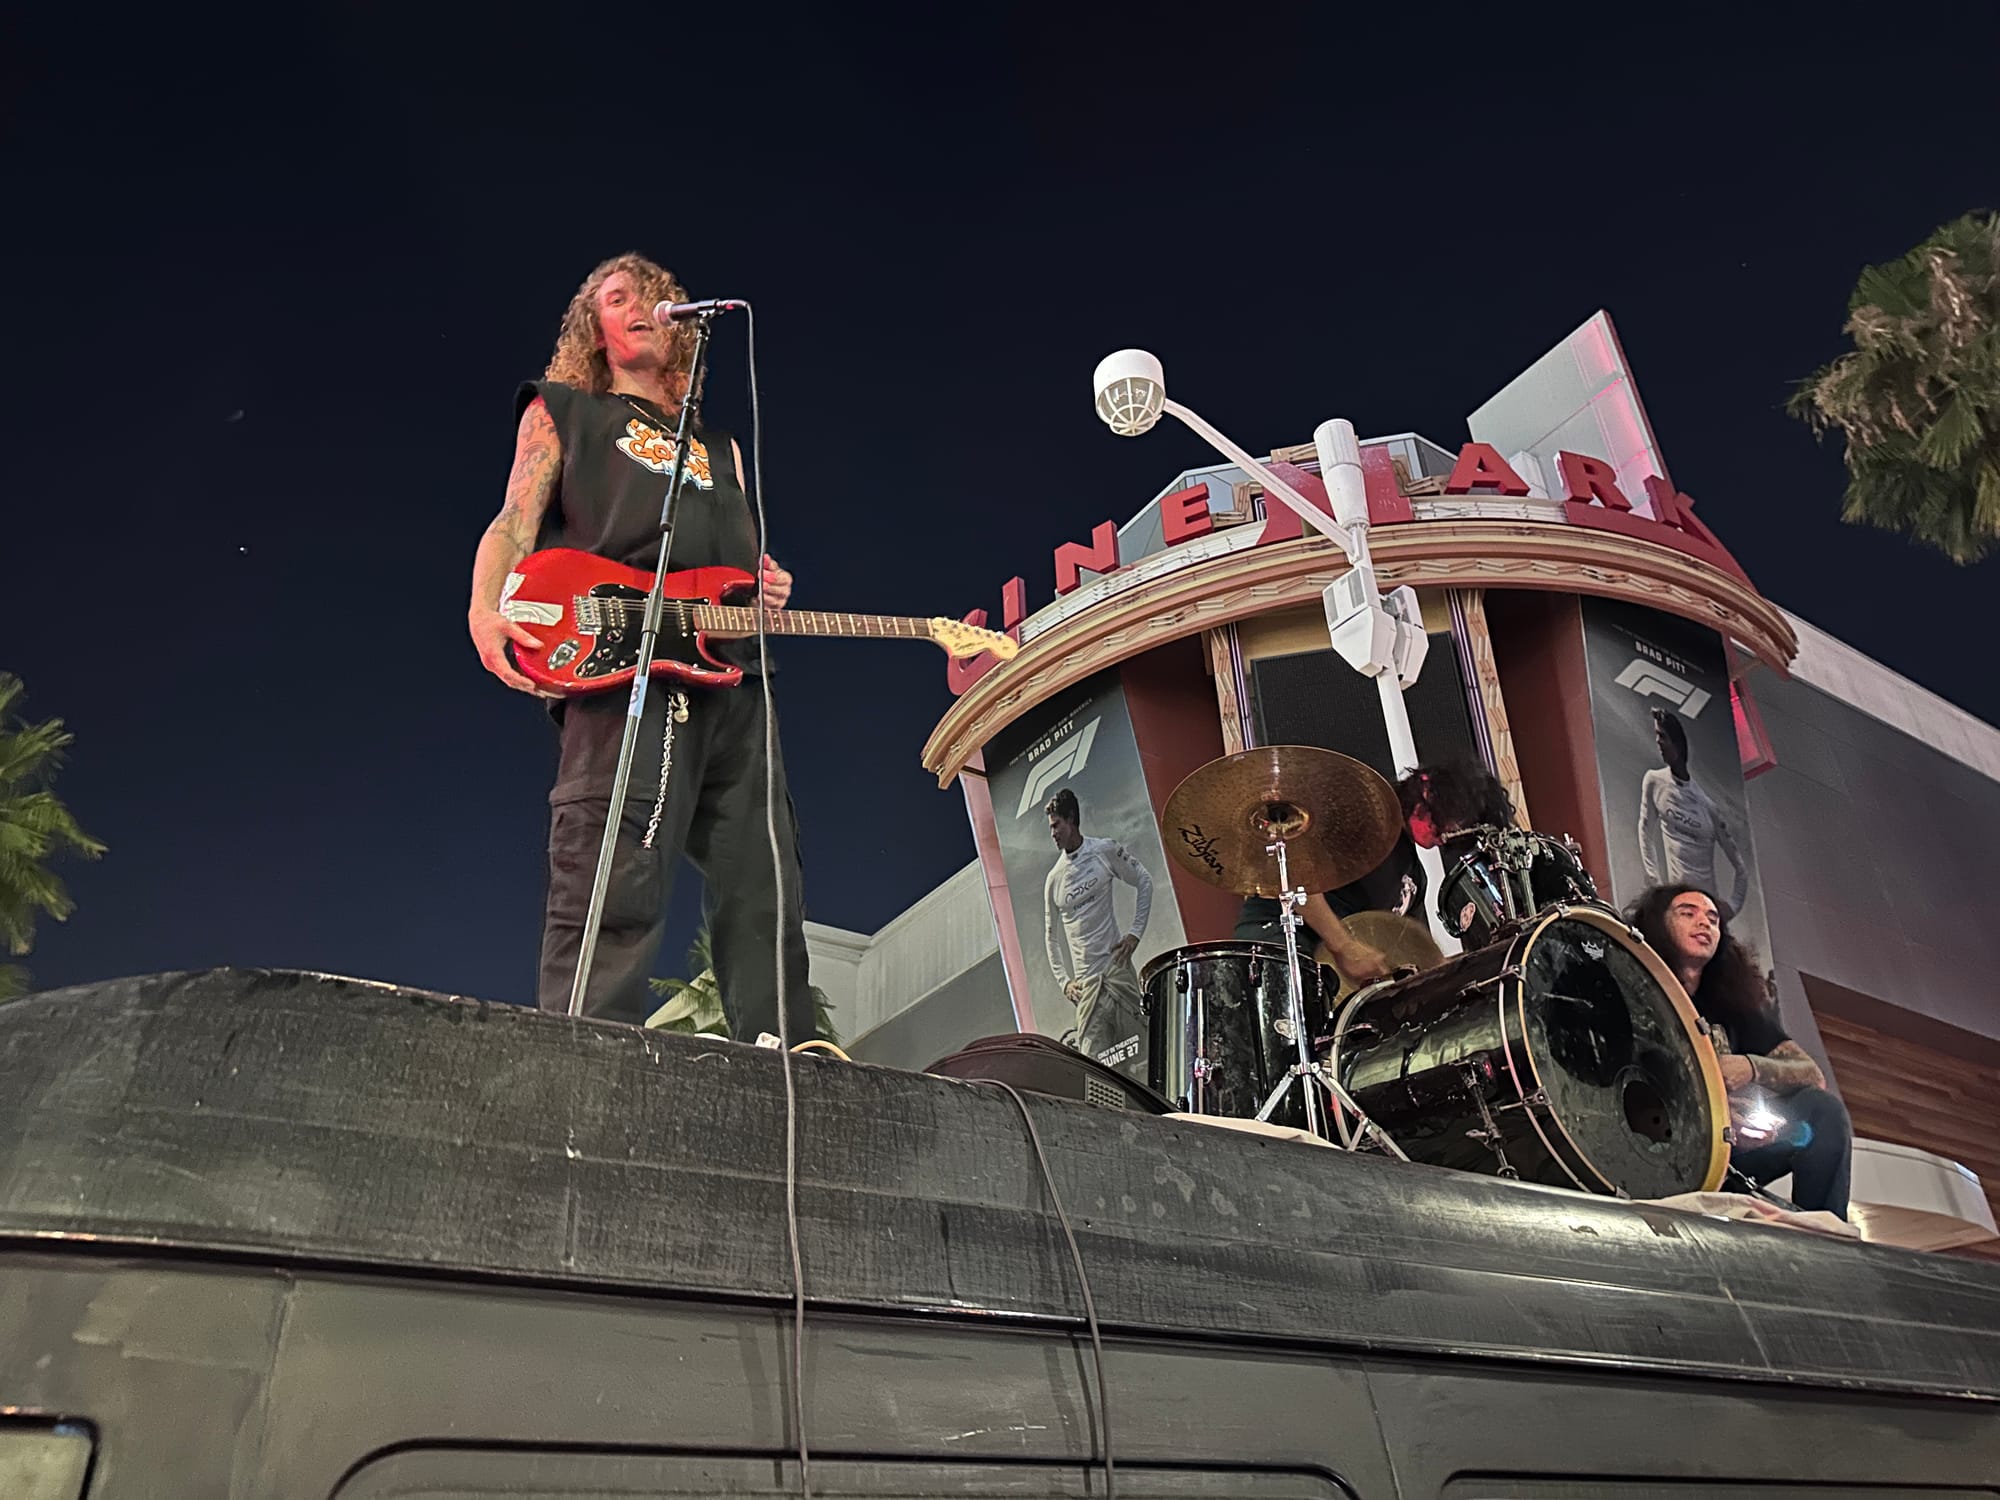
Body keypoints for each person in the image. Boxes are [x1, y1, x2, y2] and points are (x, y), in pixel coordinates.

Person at [468, 252, 812, 1041]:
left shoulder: (719, 445)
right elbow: (515, 520)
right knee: (615, 872)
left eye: (652, 297)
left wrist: (766, 584)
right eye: (615, 299)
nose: (638, 307)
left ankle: (787, 1053)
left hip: (734, 679)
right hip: (625, 662)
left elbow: (732, 563)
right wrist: (486, 608)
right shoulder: (565, 410)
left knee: (764, 880)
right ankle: (589, 1058)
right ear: (594, 329)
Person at [1628, 883, 1852, 1218]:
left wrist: (1749, 1068)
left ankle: (1822, 1233)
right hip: (1654, 1148)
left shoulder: (1733, 1008)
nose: (1704, 923)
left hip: (1728, 1155)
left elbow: (1811, 1073)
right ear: (1657, 924)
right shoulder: (1629, 990)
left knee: (1822, 1111)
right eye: (1687, 913)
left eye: (1713, 919)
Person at [1043, 788, 1152, 1069]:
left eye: (1056, 825)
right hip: (1087, 987)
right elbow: (1051, 937)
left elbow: (1144, 881)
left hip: (1117, 973)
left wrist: (1135, 934)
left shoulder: (1102, 851)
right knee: (1096, 1073)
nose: (1053, 833)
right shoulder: (1054, 879)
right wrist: (1064, 982)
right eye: (1051, 827)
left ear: (1071, 820)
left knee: (1147, 1059)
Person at [1639, 709, 1749, 920]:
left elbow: (1740, 868)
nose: (1658, 742)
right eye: (1656, 735)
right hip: (1677, 905)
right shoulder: (1654, 781)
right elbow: (1645, 832)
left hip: (1705, 908)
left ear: (1677, 743)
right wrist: (1655, 884)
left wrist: (1732, 906)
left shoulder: (1708, 808)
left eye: (1662, 736)